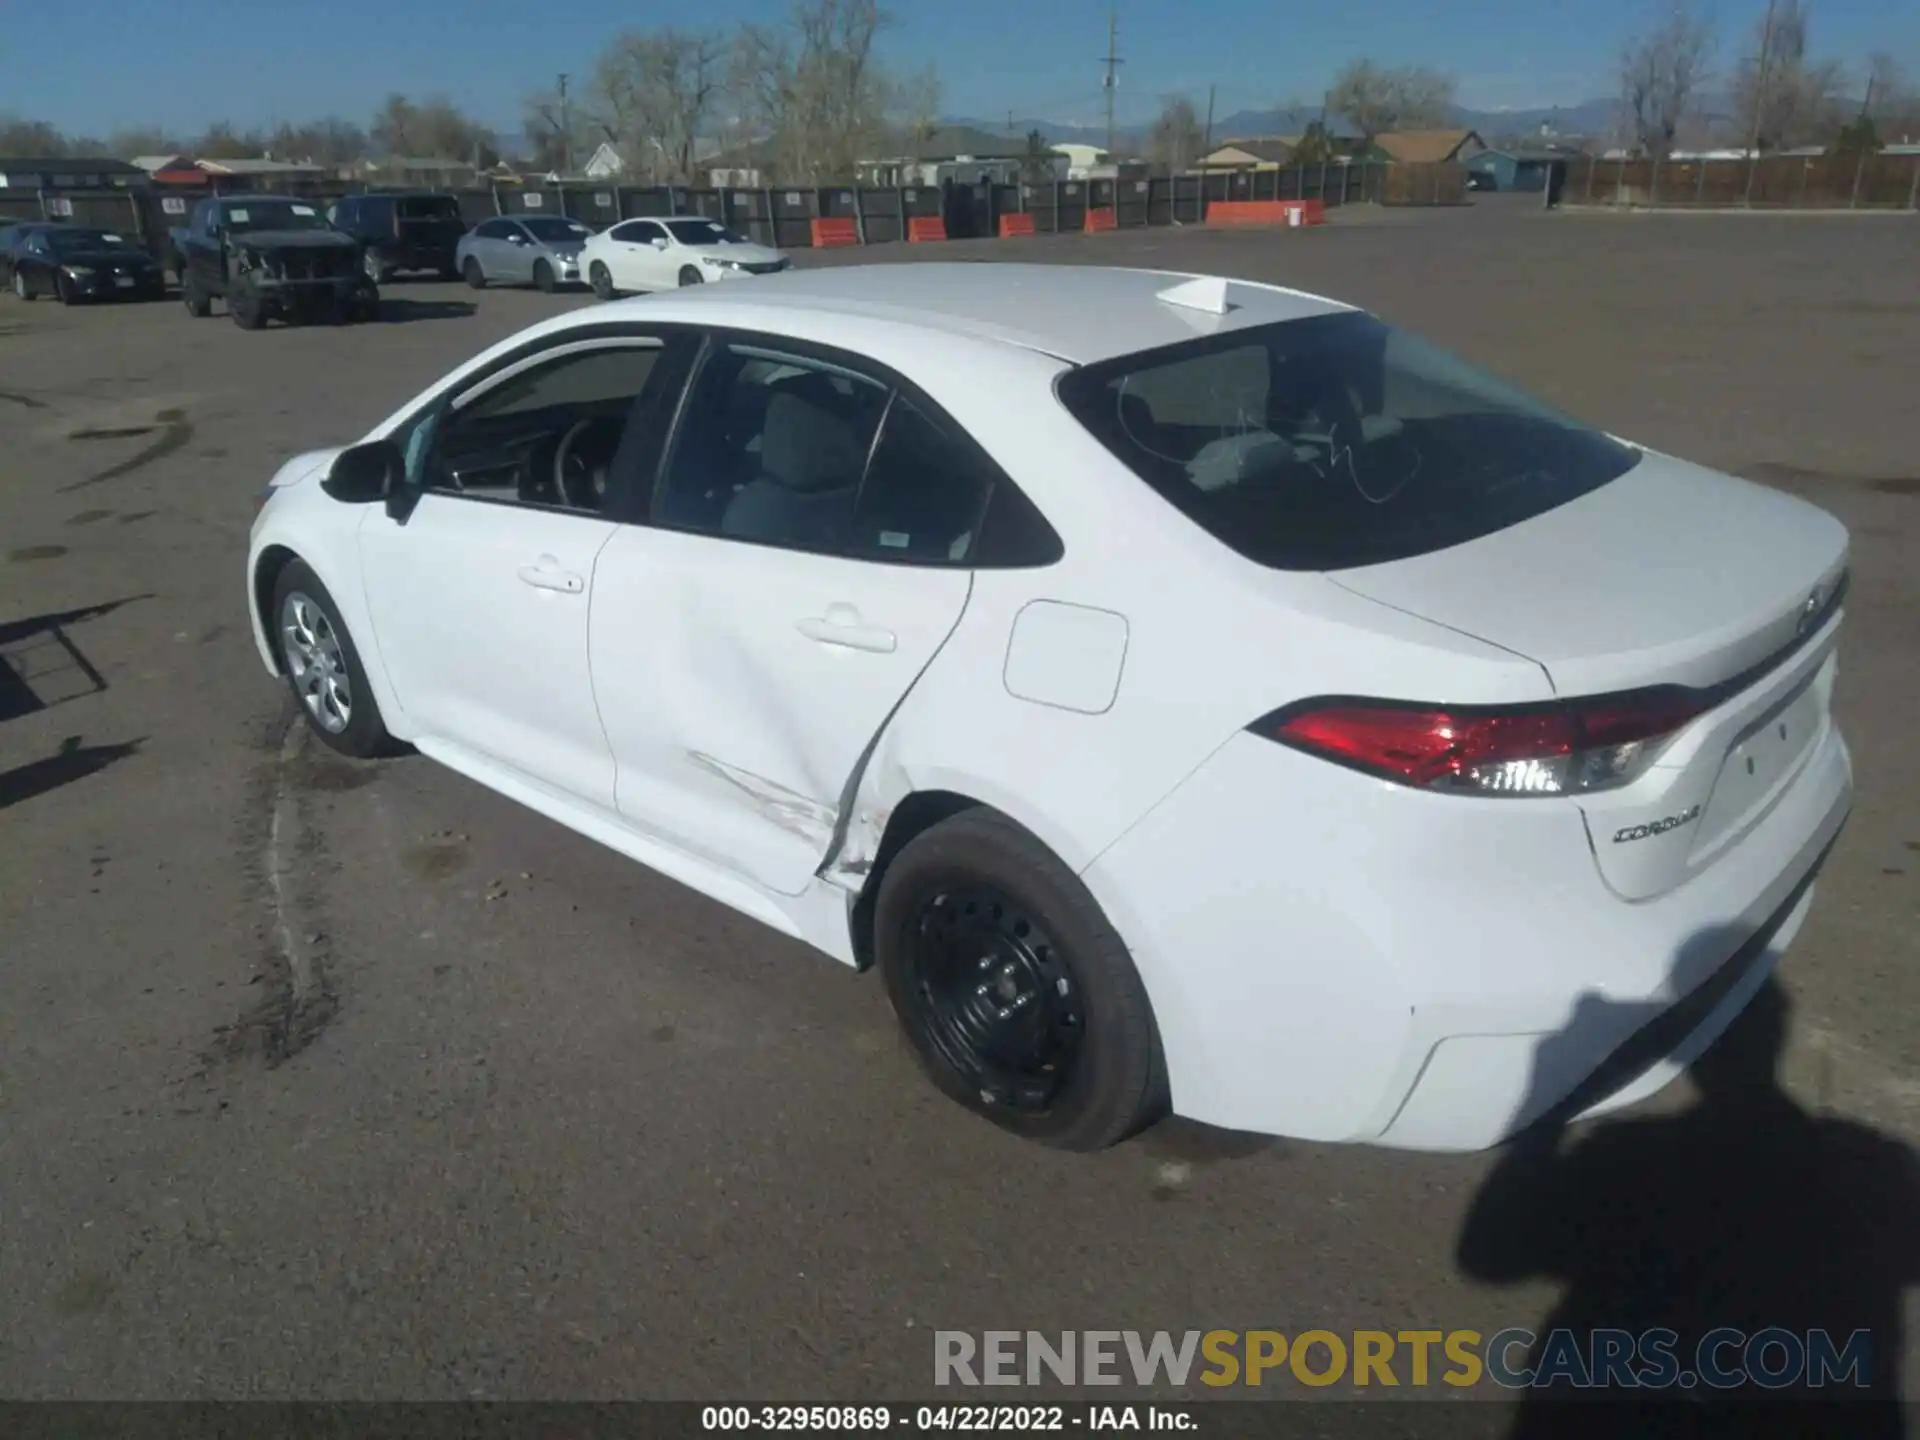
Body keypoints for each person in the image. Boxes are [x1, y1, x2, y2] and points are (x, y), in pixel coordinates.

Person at [1457, 969, 1918, 1438]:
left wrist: (1546, 1112)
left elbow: (1488, 1255)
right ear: (1778, 1036)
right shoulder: (1867, 1163)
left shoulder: (1625, 1154)